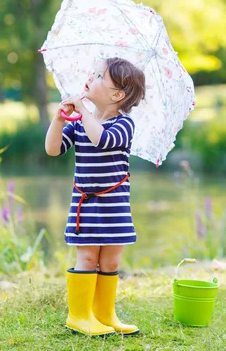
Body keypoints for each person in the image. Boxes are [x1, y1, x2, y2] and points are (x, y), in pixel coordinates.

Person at [45, 57, 146, 336]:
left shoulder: (124, 125)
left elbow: (102, 139)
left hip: (114, 208)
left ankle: (104, 314)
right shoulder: (78, 125)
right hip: (86, 206)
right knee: (88, 258)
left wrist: (83, 112)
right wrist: (59, 119)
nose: (91, 77)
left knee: (111, 261)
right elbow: (53, 149)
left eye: (100, 76)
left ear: (117, 95)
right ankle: (79, 315)